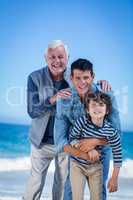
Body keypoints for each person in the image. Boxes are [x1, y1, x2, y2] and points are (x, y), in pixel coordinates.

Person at [54, 58, 121, 200]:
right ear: (71, 78)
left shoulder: (107, 94)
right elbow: (60, 141)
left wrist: (94, 141)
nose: (82, 82)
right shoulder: (64, 99)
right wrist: (83, 152)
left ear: (93, 77)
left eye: (86, 77)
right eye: (77, 78)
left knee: (98, 190)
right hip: (76, 147)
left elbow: (117, 134)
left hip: (103, 150)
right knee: (70, 189)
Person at [23, 40, 72, 200]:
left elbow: (89, 84)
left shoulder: (74, 76)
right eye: (52, 57)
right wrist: (53, 98)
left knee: (62, 185)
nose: (57, 61)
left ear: (67, 57)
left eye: (61, 56)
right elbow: (32, 111)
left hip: (65, 143)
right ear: (45, 58)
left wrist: (102, 83)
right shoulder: (34, 77)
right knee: (35, 184)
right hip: (41, 142)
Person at [69, 91, 122, 200]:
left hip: (96, 167)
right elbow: (72, 139)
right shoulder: (82, 122)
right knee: (77, 197)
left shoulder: (111, 131)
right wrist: (88, 151)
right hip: (77, 165)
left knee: (97, 197)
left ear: (107, 111)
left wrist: (114, 178)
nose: (97, 108)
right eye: (93, 105)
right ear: (88, 110)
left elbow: (117, 154)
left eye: (101, 104)